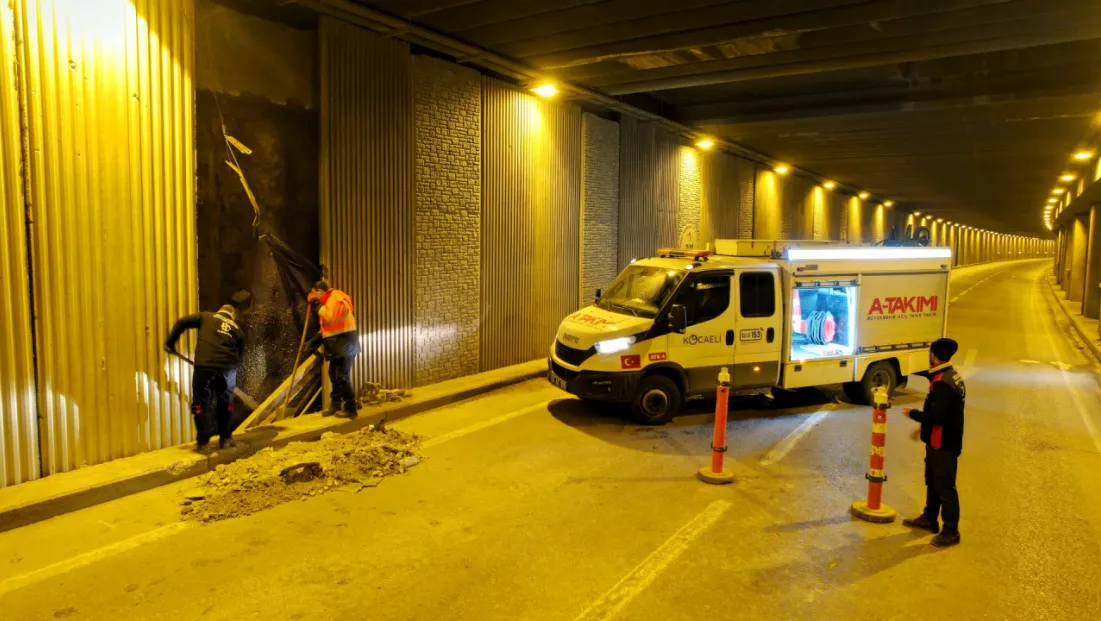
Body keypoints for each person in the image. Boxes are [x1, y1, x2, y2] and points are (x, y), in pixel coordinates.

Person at [901, 337, 966, 547]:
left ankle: (951, 530)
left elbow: (938, 417)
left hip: (944, 443)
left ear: (934, 355)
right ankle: (929, 518)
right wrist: (922, 429)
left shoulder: (943, 383)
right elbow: (943, 412)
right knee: (932, 481)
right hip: (937, 439)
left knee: (945, 487)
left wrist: (913, 414)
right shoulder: (949, 376)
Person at [165, 305, 246, 451]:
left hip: (204, 366)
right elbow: (240, 356)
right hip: (227, 370)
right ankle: (225, 439)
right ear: (233, 315)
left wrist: (170, 343)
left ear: (219, 310)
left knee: (201, 404)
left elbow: (182, 322)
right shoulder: (238, 330)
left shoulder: (206, 316)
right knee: (225, 404)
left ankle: (203, 443)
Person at [308, 280, 360, 418]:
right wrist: (317, 339)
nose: (313, 296)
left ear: (319, 291)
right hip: (340, 344)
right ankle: (335, 405)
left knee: (341, 376)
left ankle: (351, 408)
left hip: (344, 343)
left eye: (314, 293)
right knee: (334, 374)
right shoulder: (330, 300)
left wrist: (315, 303)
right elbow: (329, 325)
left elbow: (329, 317)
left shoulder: (334, 298)